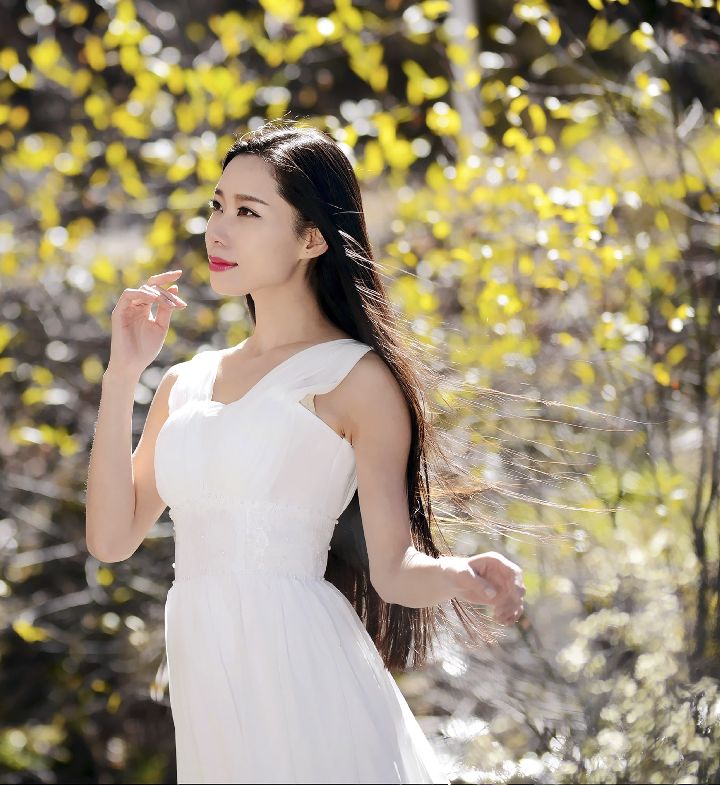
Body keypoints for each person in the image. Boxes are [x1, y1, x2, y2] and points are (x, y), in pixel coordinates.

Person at [85, 119, 525, 784]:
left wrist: (464, 573)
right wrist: (123, 375)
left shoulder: (355, 379)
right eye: (218, 206)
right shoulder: (185, 380)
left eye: (248, 211)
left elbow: (395, 570)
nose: (218, 230)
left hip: (300, 669)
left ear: (312, 238)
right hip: (209, 678)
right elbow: (113, 538)